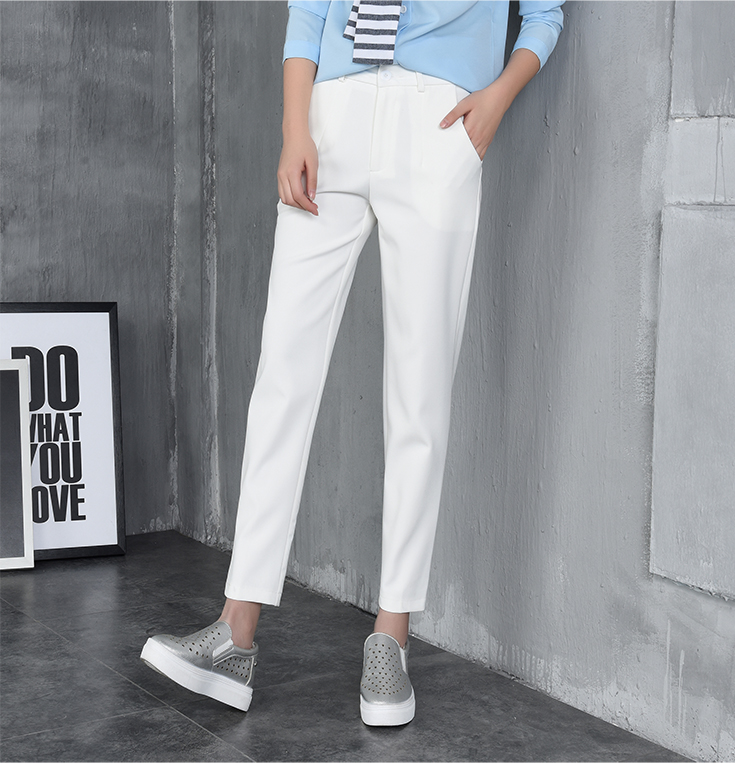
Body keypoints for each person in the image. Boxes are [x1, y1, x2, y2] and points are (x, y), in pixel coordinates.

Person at [141, 0, 564, 726]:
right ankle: (235, 631)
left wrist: (497, 98)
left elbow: (547, 14)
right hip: (331, 114)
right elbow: (309, 7)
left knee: (419, 390)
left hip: (439, 121)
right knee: (283, 373)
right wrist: (294, 126)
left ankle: (390, 638)